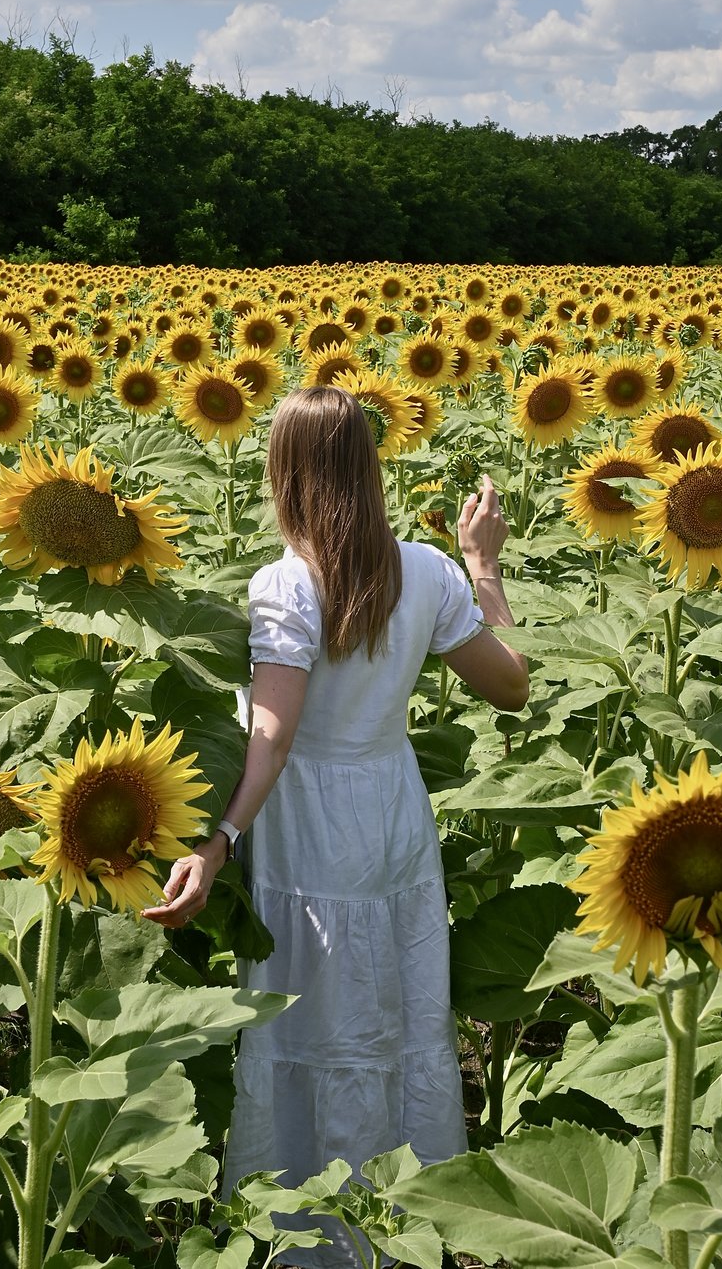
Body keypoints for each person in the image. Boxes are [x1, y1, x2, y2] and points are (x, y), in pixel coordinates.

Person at [144, 385, 528, 1268]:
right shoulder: (427, 570)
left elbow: (271, 738)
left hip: (307, 822)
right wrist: (484, 565)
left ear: (284, 471)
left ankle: (310, 1237)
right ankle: (398, 1226)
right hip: (391, 808)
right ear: (367, 465)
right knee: (390, 1009)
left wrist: (219, 839)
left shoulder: (286, 582)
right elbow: (511, 684)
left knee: (308, 1016)